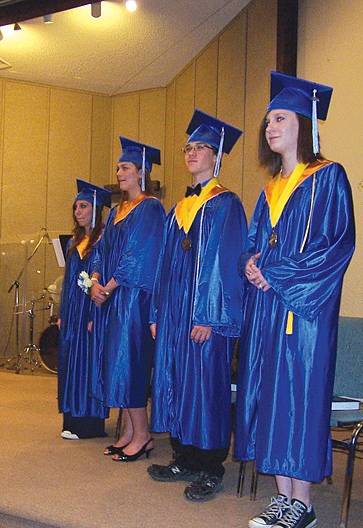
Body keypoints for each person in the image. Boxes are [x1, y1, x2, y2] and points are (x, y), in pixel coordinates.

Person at [233, 72, 355, 528]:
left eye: (279, 117)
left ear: (304, 124)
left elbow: (336, 245)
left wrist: (276, 273)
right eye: (267, 120)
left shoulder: (328, 178)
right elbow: (251, 245)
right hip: (268, 309)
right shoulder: (268, 190)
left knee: (299, 396)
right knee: (269, 394)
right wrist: (249, 265)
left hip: (304, 313)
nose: (270, 126)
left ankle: (304, 501)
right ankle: (282, 495)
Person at [148, 110, 247, 501]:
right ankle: (184, 456)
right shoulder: (178, 209)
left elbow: (225, 263)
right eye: (187, 147)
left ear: (217, 155)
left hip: (205, 314)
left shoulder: (226, 204)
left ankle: (210, 465)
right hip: (174, 315)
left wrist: (209, 316)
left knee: (206, 386)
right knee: (175, 379)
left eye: (199, 147)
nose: (191, 153)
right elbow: (163, 265)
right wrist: (157, 313)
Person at [90, 137, 165, 462]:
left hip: (134, 298)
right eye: (119, 167)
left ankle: (143, 435)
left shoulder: (150, 207)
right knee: (117, 366)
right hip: (113, 298)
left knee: (131, 365)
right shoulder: (117, 211)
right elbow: (101, 250)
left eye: (125, 168)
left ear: (141, 173)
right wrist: (93, 280)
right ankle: (131, 432)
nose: (119, 173)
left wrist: (108, 286)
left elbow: (139, 256)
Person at [58, 179, 111, 440]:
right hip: (74, 310)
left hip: (91, 309)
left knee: (88, 364)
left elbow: (101, 277)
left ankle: (89, 425)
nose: (78, 212)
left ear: (96, 209)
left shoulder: (102, 239)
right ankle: (71, 420)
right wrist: (62, 314)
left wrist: (94, 315)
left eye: (83, 206)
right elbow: (68, 282)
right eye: (76, 207)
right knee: (71, 362)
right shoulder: (72, 243)